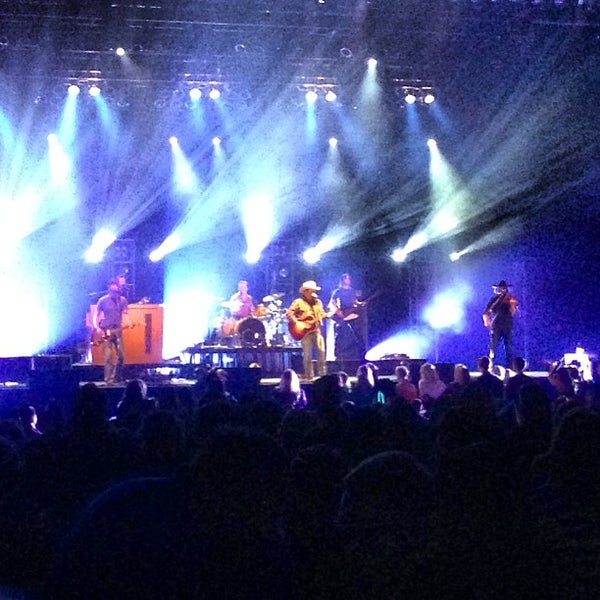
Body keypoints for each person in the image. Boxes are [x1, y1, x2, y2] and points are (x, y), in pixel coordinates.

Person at [287, 280, 336, 380]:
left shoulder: (318, 302)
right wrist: (297, 323)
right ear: (306, 291)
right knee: (308, 355)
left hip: (316, 330)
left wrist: (330, 314)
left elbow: (322, 314)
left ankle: (323, 376)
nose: (314, 292)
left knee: (321, 352)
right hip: (305, 332)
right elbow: (289, 313)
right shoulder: (298, 302)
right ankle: (309, 376)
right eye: (312, 290)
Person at [93, 279, 132, 385]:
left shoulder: (122, 300)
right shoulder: (103, 300)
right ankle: (108, 379)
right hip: (106, 330)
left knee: (121, 355)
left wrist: (129, 322)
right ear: (109, 290)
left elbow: (125, 313)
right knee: (108, 356)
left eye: (116, 291)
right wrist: (97, 328)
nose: (114, 293)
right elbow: (96, 314)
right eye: (112, 291)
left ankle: (116, 377)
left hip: (118, 330)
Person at [329, 273, 367, 361]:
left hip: (352, 315)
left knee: (358, 334)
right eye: (347, 279)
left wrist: (360, 303)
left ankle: (362, 354)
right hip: (343, 314)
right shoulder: (337, 291)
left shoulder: (352, 291)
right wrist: (338, 311)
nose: (349, 280)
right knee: (339, 334)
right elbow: (332, 302)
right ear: (343, 280)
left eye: (349, 279)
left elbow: (355, 301)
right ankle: (337, 354)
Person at [482, 279, 519, 367]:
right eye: (500, 288)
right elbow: (487, 312)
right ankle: (490, 365)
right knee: (493, 347)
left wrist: (509, 300)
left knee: (509, 347)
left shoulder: (511, 299)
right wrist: (488, 322)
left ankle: (510, 366)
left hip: (508, 326)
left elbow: (513, 311)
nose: (501, 290)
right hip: (496, 326)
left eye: (503, 288)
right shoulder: (494, 300)